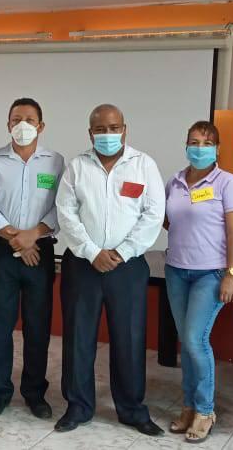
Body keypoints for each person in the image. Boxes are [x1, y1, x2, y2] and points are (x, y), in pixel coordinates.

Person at [55, 104, 165, 436]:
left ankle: (131, 409)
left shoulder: (144, 165)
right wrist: (92, 253)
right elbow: (65, 213)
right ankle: (78, 406)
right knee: (78, 337)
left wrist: (121, 252)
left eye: (114, 128)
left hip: (127, 267)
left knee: (129, 338)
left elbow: (153, 214)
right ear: (90, 133)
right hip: (82, 265)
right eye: (100, 129)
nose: (108, 134)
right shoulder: (77, 167)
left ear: (124, 129)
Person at [0, 98, 64, 420]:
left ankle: (34, 393)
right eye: (16, 119)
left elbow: (61, 205)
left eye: (29, 119)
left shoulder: (55, 161)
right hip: (2, 251)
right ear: (8, 125)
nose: (22, 125)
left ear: (41, 126)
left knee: (37, 326)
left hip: (40, 251)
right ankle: (0, 391)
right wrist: (17, 238)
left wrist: (33, 235)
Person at [163, 121, 233, 443]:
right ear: (185, 145)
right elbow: (168, 221)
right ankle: (188, 406)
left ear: (217, 148)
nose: (199, 148)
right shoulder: (175, 181)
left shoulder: (227, 183)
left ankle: (205, 410)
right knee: (186, 341)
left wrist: (231, 275)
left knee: (196, 340)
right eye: (194, 142)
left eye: (207, 143)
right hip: (176, 271)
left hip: (210, 274)